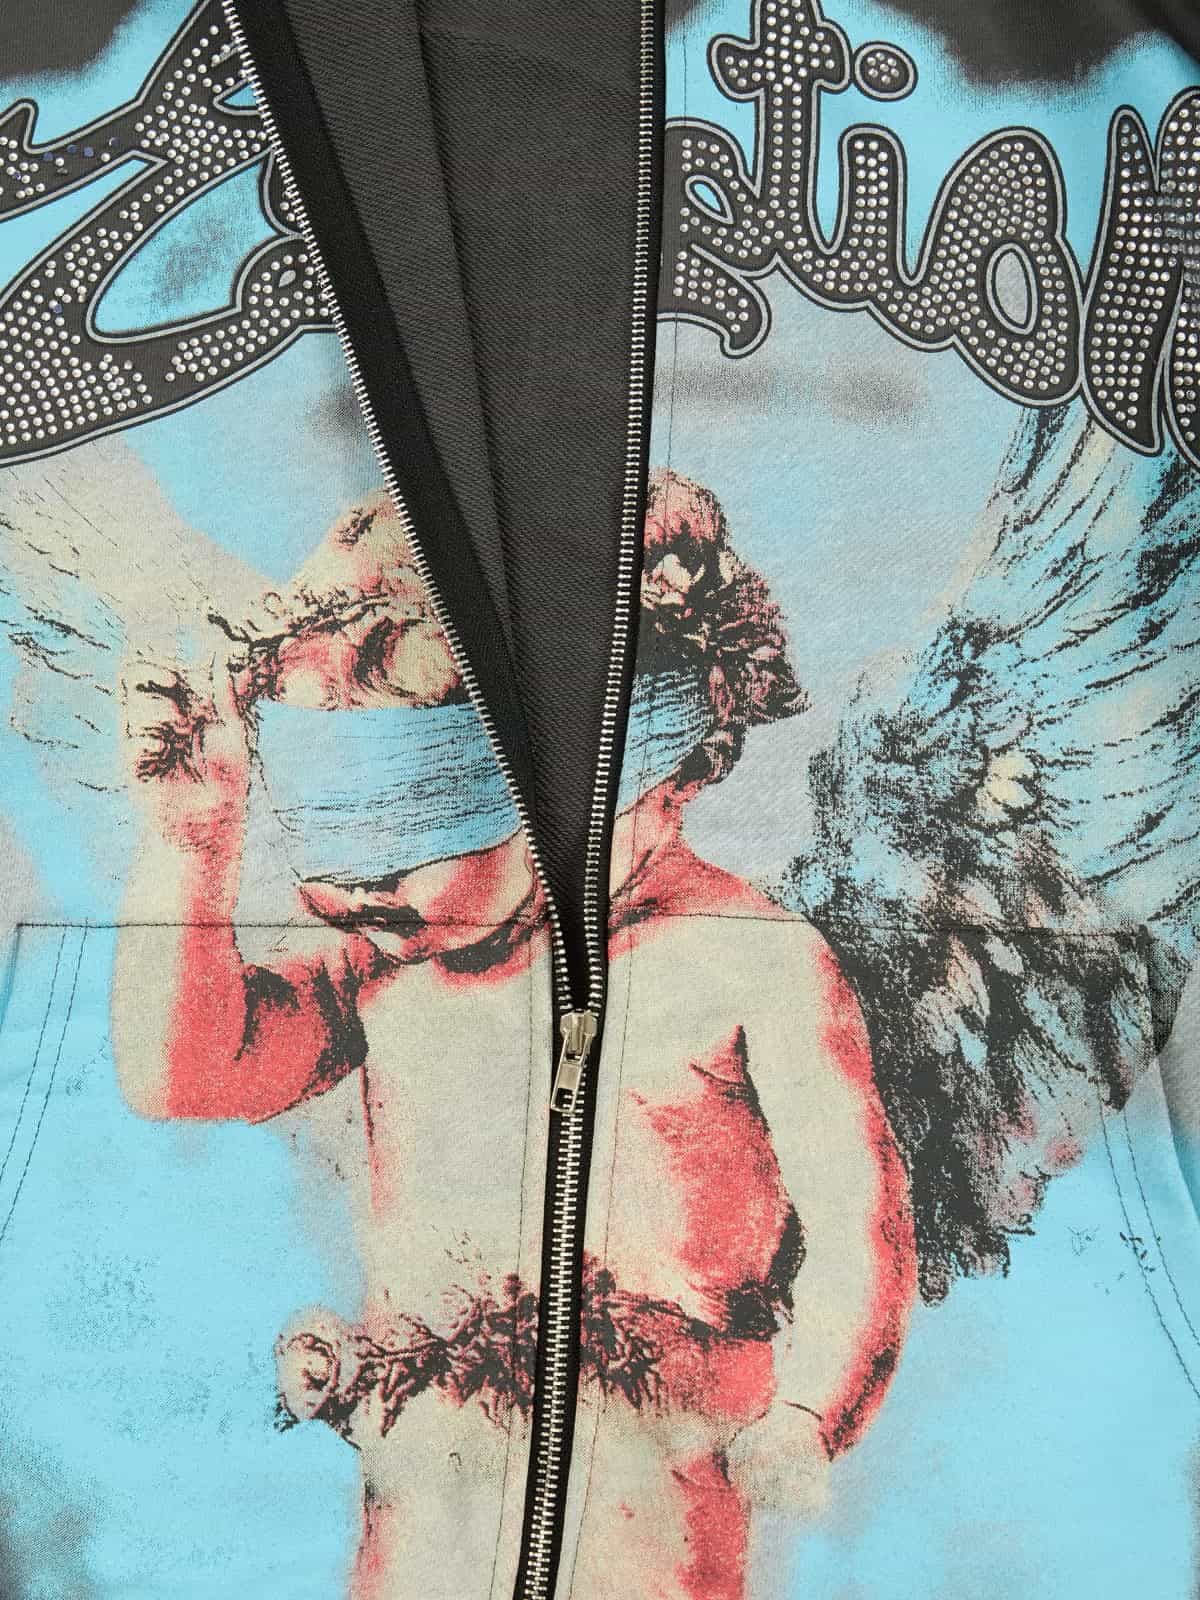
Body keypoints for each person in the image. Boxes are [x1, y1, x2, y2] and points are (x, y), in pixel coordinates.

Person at [113, 470, 916, 1600]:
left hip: (653, 1508)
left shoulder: (750, 959)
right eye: (329, 810)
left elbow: (860, 1219)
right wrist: (190, 848)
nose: (355, 883)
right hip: (426, 1499)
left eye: (414, 808)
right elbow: (191, 1074)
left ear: (614, 771)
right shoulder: (387, 958)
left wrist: (808, 1413)